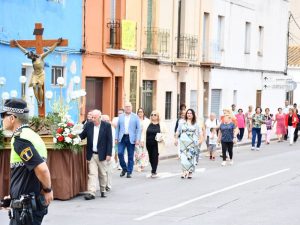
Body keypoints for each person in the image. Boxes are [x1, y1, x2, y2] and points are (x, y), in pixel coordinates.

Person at [1, 98, 52, 224]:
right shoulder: (33, 135)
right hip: (29, 204)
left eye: (3, 115)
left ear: (12, 118)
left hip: (25, 209)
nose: (2, 119)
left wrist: (48, 190)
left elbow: (42, 169)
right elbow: (27, 173)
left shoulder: (20, 139)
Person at [13, 38, 62, 107]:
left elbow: (50, 51)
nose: (30, 59)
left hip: (41, 73)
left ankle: (41, 101)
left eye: (30, 57)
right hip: (35, 74)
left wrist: (56, 43)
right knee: (33, 86)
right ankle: (38, 100)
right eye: (29, 58)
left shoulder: (41, 57)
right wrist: (17, 45)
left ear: (33, 55)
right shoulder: (31, 57)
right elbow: (24, 50)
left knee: (39, 86)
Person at [79, 110, 112, 200]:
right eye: (92, 117)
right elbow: (82, 135)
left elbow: (109, 141)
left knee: (102, 174)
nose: (92, 119)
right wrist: (73, 138)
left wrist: (109, 153)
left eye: (94, 117)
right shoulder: (88, 125)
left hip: (102, 154)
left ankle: (102, 190)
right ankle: (91, 192)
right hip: (92, 154)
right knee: (92, 173)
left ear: (99, 117)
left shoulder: (107, 126)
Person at [115, 102, 141, 178]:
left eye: (129, 106)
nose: (128, 108)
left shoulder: (135, 116)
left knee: (130, 156)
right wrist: (116, 138)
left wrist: (137, 139)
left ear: (131, 107)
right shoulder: (121, 116)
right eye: (126, 106)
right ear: (124, 108)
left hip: (131, 138)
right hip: (122, 137)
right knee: (120, 153)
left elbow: (139, 129)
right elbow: (118, 128)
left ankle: (129, 172)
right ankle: (124, 168)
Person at [175, 109, 203, 179]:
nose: (189, 114)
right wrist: (175, 139)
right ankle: (184, 172)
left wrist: (200, 140)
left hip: (192, 143)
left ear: (193, 115)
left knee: (191, 158)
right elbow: (178, 131)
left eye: (190, 113)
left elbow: (200, 133)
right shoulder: (182, 122)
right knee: (184, 158)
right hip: (183, 143)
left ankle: (190, 172)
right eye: (188, 113)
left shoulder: (196, 123)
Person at [143, 111, 167, 178]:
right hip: (148, 143)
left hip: (157, 144)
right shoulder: (147, 123)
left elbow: (165, 133)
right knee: (150, 158)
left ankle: (154, 171)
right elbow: (143, 133)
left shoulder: (162, 124)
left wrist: (162, 137)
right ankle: (153, 168)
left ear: (158, 116)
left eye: (155, 115)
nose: (153, 116)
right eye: (152, 115)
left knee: (155, 156)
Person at [101, 114, 114, 192]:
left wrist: (110, 153)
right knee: (103, 170)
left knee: (109, 170)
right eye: (104, 120)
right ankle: (103, 184)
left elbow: (112, 142)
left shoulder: (111, 128)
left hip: (110, 151)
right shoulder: (99, 128)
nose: (106, 122)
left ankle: (108, 185)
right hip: (101, 153)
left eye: (107, 120)